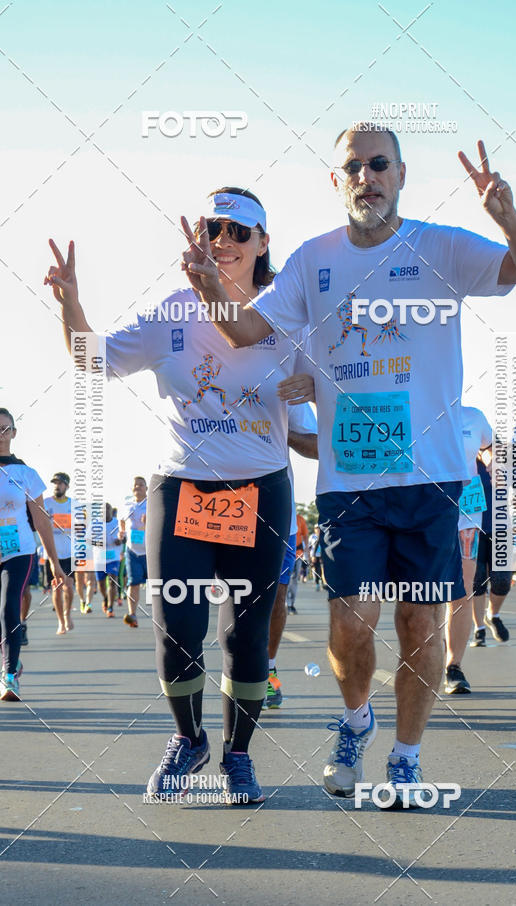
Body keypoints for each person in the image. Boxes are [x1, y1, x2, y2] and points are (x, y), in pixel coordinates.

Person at [184, 125, 516, 804]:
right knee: (350, 625)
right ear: (336, 180)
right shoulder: (310, 260)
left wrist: (504, 213)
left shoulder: (440, 246)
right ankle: (356, 721)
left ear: (401, 174)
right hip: (350, 481)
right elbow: (243, 329)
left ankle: (406, 758)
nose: (366, 177)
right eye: (352, 167)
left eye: (378, 165)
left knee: (419, 625)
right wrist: (209, 286)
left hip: (432, 477)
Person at [46, 186, 314, 804]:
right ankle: (189, 739)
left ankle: (238, 756)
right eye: (213, 228)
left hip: (261, 487)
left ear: (263, 244)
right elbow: (94, 360)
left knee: (243, 636)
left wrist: (320, 401)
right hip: (182, 486)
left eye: (239, 231)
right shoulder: (169, 312)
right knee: (176, 628)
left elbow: (309, 443)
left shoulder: (288, 317)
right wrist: (71, 303)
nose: (224, 240)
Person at [0, 408, 67, 700]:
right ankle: (8, 657)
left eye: (5, 429)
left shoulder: (26, 474)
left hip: (20, 551)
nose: (1, 434)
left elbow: (41, 520)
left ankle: (9, 675)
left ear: (14, 433)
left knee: (8, 608)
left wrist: (54, 562)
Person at [264, 403, 318, 709]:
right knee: (237, 601)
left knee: (277, 599)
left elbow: (316, 444)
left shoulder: (283, 371)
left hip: (277, 517)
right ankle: (240, 671)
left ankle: (268, 670)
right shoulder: (206, 372)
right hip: (225, 517)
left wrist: (280, 432)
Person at [444, 405, 492, 693]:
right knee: (424, 588)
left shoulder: (474, 416)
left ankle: (454, 666)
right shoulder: (416, 408)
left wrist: (491, 459)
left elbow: (489, 446)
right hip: (428, 505)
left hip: (467, 506)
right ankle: (420, 656)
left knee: (463, 586)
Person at [470, 457, 512, 647]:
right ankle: (479, 629)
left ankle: (492, 615)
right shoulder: (467, 459)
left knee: (502, 580)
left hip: (502, 528)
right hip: (473, 528)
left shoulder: (504, 461)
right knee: (477, 581)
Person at [44, 472, 76, 634]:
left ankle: (67, 614)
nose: (57, 485)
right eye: (55, 483)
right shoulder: (45, 503)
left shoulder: (74, 504)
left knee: (69, 587)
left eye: (61, 483)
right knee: (56, 588)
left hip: (69, 551)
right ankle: (61, 622)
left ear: (67, 486)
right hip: (52, 552)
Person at [119, 477, 148, 628]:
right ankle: (133, 614)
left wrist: (148, 522)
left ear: (146, 488)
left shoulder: (151, 504)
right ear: (132, 489)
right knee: (133, 583)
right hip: (132, 550)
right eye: (135, 485)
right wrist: (121, 531)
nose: (138, 487)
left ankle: (163, 617)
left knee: (156, 584)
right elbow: (122, 520)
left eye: (141, 485)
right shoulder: (127, 504)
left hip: (149, 551)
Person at [94, 502, 122, 617]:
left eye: (107, 509)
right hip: (99, 557)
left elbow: (124, 538)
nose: (105, 511)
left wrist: (120, 540)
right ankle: (105, 598)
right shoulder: (95, 523)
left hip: (113, 556)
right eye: (102, 510)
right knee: (100, 584)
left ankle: (110, 607)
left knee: (112, 580)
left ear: (111, 511)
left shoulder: (117, 523)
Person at [286, 508, 310, 614]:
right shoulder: (283, 515)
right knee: (284, 579)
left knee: (294, 578)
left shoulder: (300, 519)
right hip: (284, 554)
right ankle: (284, 602)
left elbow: (305, 536)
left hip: (297, 554)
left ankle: (290, 604)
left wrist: (307, 553)